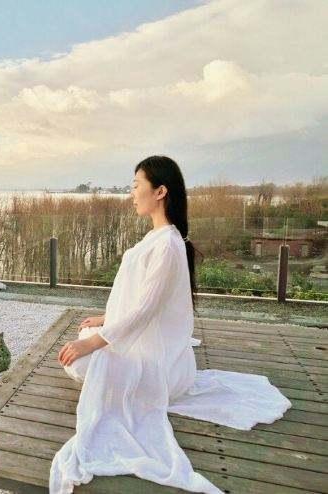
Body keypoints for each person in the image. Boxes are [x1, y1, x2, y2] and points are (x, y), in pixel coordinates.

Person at [50, 156, 292, 494]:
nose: (132, 193)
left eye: (136, 185)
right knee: (85, 339)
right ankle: (104, 348)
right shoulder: (159, 237)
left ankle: (118, 365)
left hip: (162, 369)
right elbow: (144, 298)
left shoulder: (166, 245)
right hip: (150, 349)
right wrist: (104, 320)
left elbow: (144, 310)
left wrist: (92, 342)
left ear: (160, 191)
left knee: (80, 357)